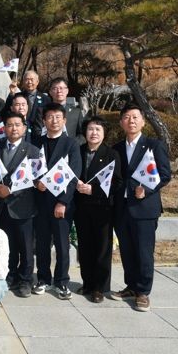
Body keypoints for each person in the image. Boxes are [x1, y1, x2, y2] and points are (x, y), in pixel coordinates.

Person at [111, 103, 171, 312]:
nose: (131, 121)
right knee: (127, 251)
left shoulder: (154, 145)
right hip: (122, 208)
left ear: (143, 122)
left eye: (135, 117)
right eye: (127, 117)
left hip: (144, 208)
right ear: (121, 122)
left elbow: (165, 175)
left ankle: (143, 292)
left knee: (144, 252)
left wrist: (146, 189)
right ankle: (131, 286)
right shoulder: (116, 148)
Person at [32, 103, 82, 299]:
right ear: (44, 121)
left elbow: (74, 175)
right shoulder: (37, 142)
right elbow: (30, 169)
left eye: (57, 117)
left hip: (61, 203)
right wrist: (36, 182)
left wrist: (63, 202)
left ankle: (62, 281)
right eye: (50, 117)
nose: (54, 121)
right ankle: (43, 279)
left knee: (62, 245)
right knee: (42, 244)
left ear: (64, 120)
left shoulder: (71, 144)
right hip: (40, 202)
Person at [0, 111, 40, 298]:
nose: (13, 128)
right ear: (4, 128)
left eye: (17, 125)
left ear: (24, 128)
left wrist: (11, 190)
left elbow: (34, 179)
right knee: (7, 244)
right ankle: (10, 275)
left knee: (26, 247)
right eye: (10, 125)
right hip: (1, 206)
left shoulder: (32, 151)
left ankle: (26, 280)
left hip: (23, 205)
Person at [74, 116, 122, 303]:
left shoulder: (111, 154)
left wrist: (93, 190)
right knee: (85, 246)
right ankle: (87, 283)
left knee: (102, 248)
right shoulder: (78, 151)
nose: (93, 133)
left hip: (102, 208)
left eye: (98, 130)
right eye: (90, 129)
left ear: (104, 133)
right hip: (81, 207)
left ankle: (99, 288)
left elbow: (116, 182)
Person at [47, 77, 85, 144]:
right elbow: (38, 131)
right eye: (55, 88)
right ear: (50, 92)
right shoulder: (43, 111)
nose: (59, 91)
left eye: (61, 88)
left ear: (67, 91)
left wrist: (72, 144)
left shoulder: (76, 112)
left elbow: (83, 134)